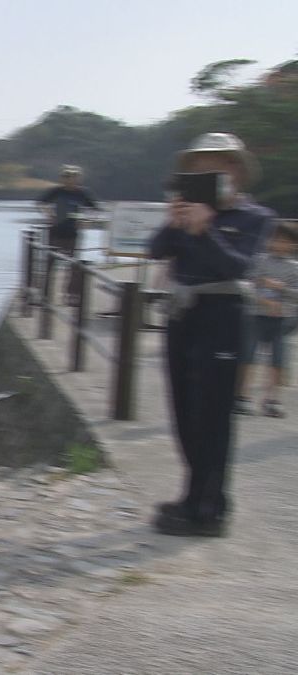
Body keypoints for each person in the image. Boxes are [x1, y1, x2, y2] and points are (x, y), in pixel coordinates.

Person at [148, 132, 275, 537]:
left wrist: (207, 231)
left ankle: (213, 507)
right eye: (199, 166)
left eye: (217, 164)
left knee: (213, 414)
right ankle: (191, 495)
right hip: (183, 313)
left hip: (224, 314)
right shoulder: (187, 211)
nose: (207, 172)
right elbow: (155, 250)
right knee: (183, 408)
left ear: (236, 170)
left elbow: (237, 268)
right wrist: (175, 222)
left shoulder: (255, 217)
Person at [235, 222, 298, 417]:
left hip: (281, 318)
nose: (279, 244)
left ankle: (272, 399)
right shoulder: (260, 261)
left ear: (293, 245)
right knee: (248, 356)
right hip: (255, 315)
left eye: (285, 241)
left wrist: (280, 288)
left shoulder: (294, 267)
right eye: (276, 239)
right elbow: (246, 285)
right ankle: (242, 396)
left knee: (277, 360)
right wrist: (262, 299)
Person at [37, 164, 99, 306]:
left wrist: (87, 220)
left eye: (73, 177)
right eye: (66, 176)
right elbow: (40, 203)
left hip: (72, 233)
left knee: (73, 265)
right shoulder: (56, 191)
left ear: (78, 178)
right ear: (62, 178)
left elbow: (95, 209)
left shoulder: (82, 193)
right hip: (55, 231)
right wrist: (48, 213)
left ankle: (70, 296)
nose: (69, 180)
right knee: (49, 264)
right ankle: (44, 296)